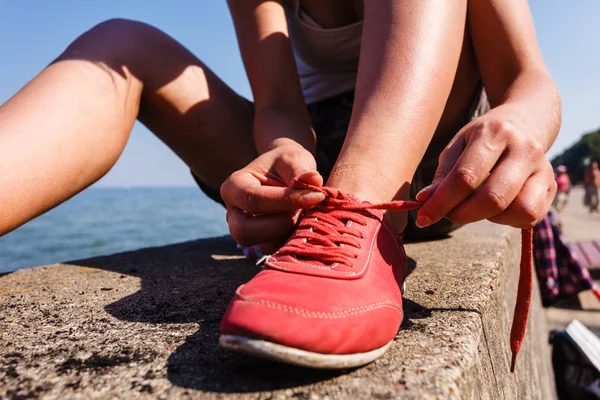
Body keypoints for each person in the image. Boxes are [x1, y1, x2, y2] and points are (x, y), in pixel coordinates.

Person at [0, 1, 560, 369]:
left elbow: (528, 79)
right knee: (121, 42)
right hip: (315, 164)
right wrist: (283, 150)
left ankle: (362, 213)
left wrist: (526, 126)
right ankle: (335, 209)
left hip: (431, 172)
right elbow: (276, 105)